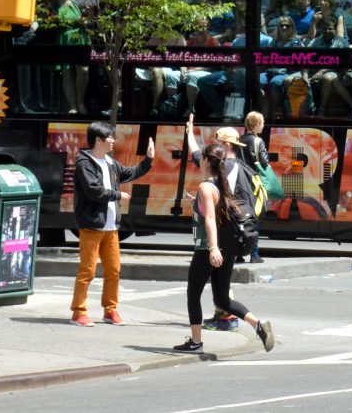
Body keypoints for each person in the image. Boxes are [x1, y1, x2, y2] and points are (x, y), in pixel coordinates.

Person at [173, 141, 274, 354]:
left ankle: (196, 341)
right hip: (227, 250)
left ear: (208, 161)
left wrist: (212, 249)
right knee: (222, 299)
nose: (198, 160)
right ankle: (258, 324)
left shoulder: (206, 186)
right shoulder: (222, 185)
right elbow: (213, 213)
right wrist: (197, 205)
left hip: (208, 250)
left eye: (201, 157)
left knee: (193, 294)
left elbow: (210, 218)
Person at [70, 121, 154, 327]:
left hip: (110, 227)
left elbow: (130, 173)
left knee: (114, 269)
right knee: (87, 271)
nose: (113, 141)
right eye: (110, 138)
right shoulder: (84, 163)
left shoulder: (110, 163)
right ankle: (78, 312)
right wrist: (117, 195)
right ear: (98, 140)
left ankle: (110, 310)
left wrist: (148, 160)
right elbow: (92, 190)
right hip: (92, 226)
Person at [239, 111, 270, 264]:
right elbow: (264, 163)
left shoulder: (239, 140)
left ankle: (238, 253)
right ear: (256, 124)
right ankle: (254, 254)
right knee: (255, 219)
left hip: (239, 184)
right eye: (262, 122)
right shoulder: (258, 142)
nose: (263, 125)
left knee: (239, 218)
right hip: (254, 185)